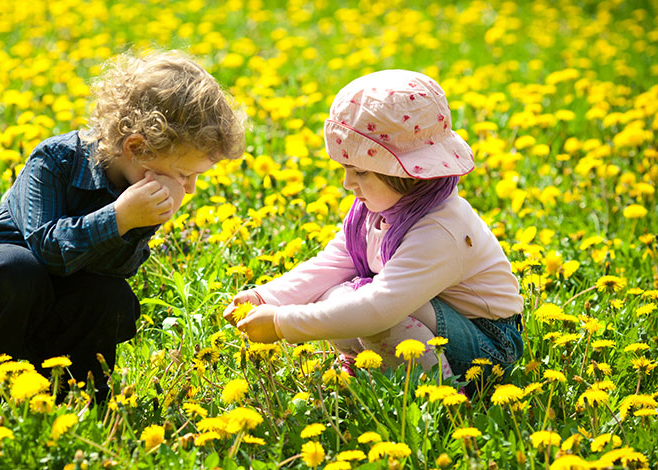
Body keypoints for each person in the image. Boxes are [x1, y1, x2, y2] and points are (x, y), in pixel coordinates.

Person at [0, 50, 245, 400]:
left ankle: (73, 394)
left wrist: (136, 225)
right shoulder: (56, 159)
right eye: (186, 174)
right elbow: (45, 249)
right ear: (137, 147)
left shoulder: (142, 194)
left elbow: (115, 271)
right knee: (18, 268)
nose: (189, 188)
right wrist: (119, 218)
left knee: (110, 297)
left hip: (57, 297)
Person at [224, 70, 523, 381]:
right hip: (432, 318)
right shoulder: (378, 207)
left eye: (361, 172)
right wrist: (267, 298)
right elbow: (332, 264)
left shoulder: (441, 230)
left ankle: (439, 393)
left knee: (373, 315)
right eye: (345, 169)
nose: (347, 183)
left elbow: (380, 307)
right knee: (336, 295)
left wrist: (282, 323)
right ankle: (371, 369)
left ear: (404, 173)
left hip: (488, 345)